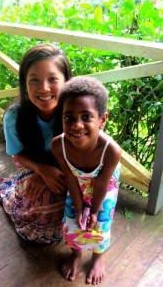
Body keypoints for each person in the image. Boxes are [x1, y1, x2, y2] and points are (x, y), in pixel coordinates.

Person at [0, 43, 72, 244]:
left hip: (69, 165)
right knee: (43, 201)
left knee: (77, 196)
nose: (44, 88)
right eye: (34, 80)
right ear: (24, 84)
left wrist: (52, 170)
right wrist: (41, 170)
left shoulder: (75, 112)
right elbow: (17, 155)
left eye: (53, 79)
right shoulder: (14, 117)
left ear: (66, 81)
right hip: (32, 161)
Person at [51, 76, 121, 284]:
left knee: (101, 224)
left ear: (102, 119)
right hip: (77, 182)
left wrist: (95, 210)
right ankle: (76, 254)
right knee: (72, 219)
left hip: (104, 184)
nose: (76, 125)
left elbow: (101, 183)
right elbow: (70, 177)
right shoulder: (58, 146)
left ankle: (98, 258)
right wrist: (80, 206)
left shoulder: (111, 151)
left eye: (86, 117)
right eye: (69, 117)